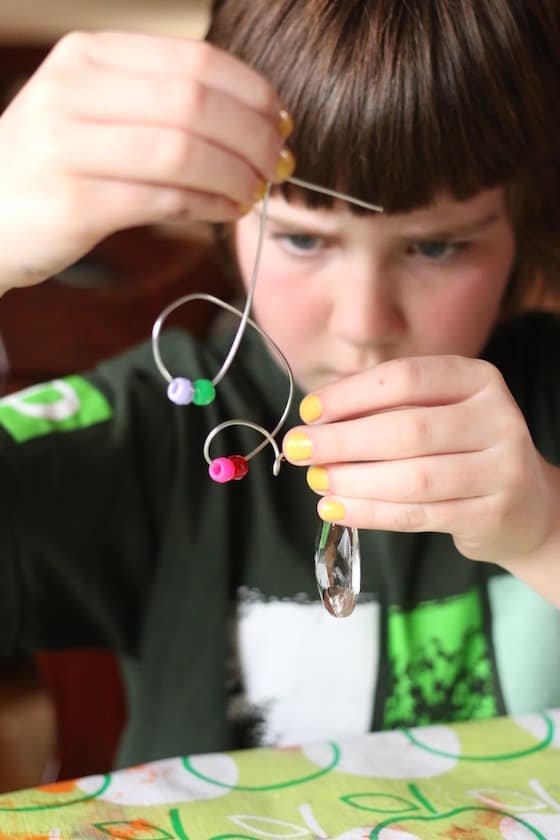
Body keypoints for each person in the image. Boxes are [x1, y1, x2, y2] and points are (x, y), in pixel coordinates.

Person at [0, 0, 559, 769]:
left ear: (524, 226)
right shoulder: (159, 432)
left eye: (435, 246)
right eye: (302, 238)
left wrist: (548, 532)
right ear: (230, 220)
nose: (365, 323)